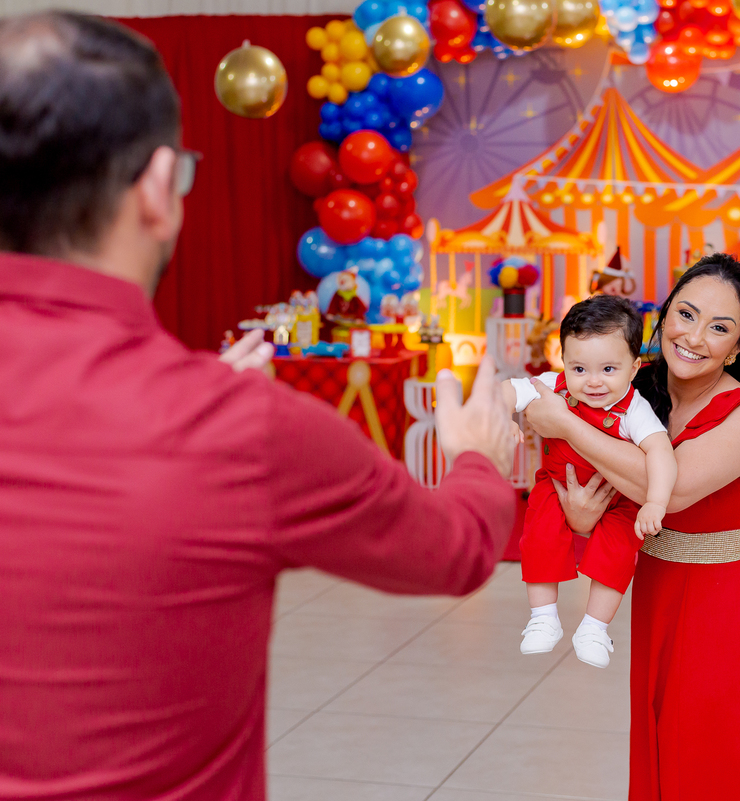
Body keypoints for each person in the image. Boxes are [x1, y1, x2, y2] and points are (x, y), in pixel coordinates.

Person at [0, 12, 516, 800]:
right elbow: (457, 549)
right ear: (156, 187)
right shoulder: (243, 431)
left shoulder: (223, 421)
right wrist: (477, 453)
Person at [523, 254, 740, 800]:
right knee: (668, 755)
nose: (695, 337)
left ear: (738, 346)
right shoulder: (632, 391)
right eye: (686, 314)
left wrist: (563, 422)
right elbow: (596, 485)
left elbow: (674, 490)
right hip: (657, 597)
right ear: (663, 316)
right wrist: (582, 517)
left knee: (715, 768)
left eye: (719, 328)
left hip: (727, 613)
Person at [503, 295, 677, 668]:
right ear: (563, 361)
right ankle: (543, 617)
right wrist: (503, 415)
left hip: (618, 498)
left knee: (619, 549)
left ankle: (595, 628)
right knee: (538, 535)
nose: (593, 382)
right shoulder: (551, 386)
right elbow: (507, 390)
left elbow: (661, 452)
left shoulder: (634, 409)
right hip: (555, 486)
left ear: (634, 367)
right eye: (579, 369)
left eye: (608, 369)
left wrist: (655, 502)